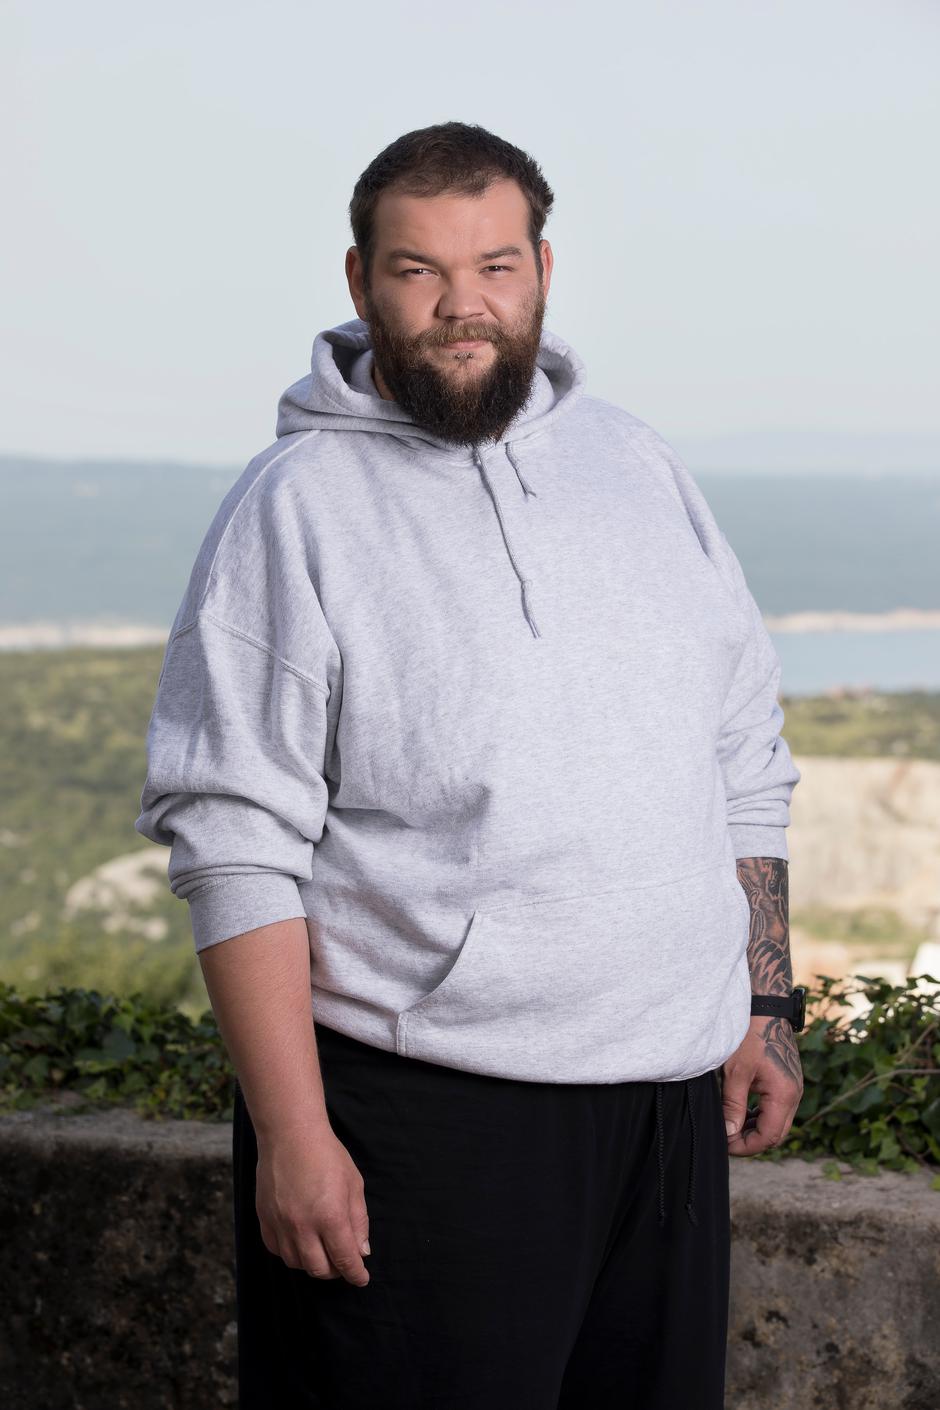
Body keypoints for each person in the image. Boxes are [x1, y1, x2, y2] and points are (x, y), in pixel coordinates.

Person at [135, 120, 804, 1409]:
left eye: (495, 267)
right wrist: (292, 1134)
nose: (463, 308)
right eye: (419, 271)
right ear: (360, 282)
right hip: (428, 1116)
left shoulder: (635, 464)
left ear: (543, 269)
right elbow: (235, 839)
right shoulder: (298, 505)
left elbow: (741, 752)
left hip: (670, 1111)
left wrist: (759, 1004)